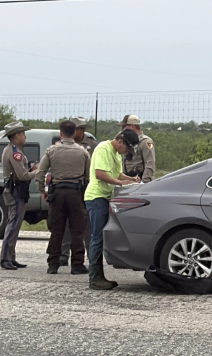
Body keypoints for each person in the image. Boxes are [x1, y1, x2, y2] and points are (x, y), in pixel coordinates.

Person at [85, 129, 141, 290]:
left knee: (102, 236)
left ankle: (98, 276)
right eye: (127, 149)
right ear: (120, 141)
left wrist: (130, 179)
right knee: (97, 237)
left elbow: (117, 173)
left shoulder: (116, 154)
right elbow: (100, 174)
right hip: (96, 197)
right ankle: (95, 277)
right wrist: (119, 183)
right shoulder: (103, 148)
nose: (126, 152)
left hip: (106, 197)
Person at [36, 119, 91, 275]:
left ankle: (53, 264)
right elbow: (88, 177)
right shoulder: (83, 152)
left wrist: (42, 191)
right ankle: (77, 264)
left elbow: (40, 173)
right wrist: (84, 193)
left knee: (57, 230)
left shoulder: (52, 151)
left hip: (58, 193)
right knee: (77, 230)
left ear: (61, 133)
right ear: (74, 133)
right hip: (76, 193)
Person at [60, 116, 98, 266]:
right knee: (66, 223)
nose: (78, 131)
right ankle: (63, 255)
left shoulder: (92, 144)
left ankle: (91, 254)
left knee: (87, 223)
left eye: (80, 129)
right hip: (70, 188)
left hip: (86, 187)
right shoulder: (62, 144)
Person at [0, 122, 38, 270]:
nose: (25, 136)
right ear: (17, 136)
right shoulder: (14, 152)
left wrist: (30, 169)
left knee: (14, 224)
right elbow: (22, 175)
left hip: (16, 191)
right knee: (13, 225)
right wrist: (36, 172)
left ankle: (11, 257)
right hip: (16, 191)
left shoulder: (15, 150)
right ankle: (5, 258)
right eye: (22, 134)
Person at [118, 114, 155, 183]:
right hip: (127, 180)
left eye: (124, 126)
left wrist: (144, 182)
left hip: (139, 181)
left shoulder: (146, 142)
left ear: (131, 126)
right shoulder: (125, 140)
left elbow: (150, 163)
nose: (123, 129)